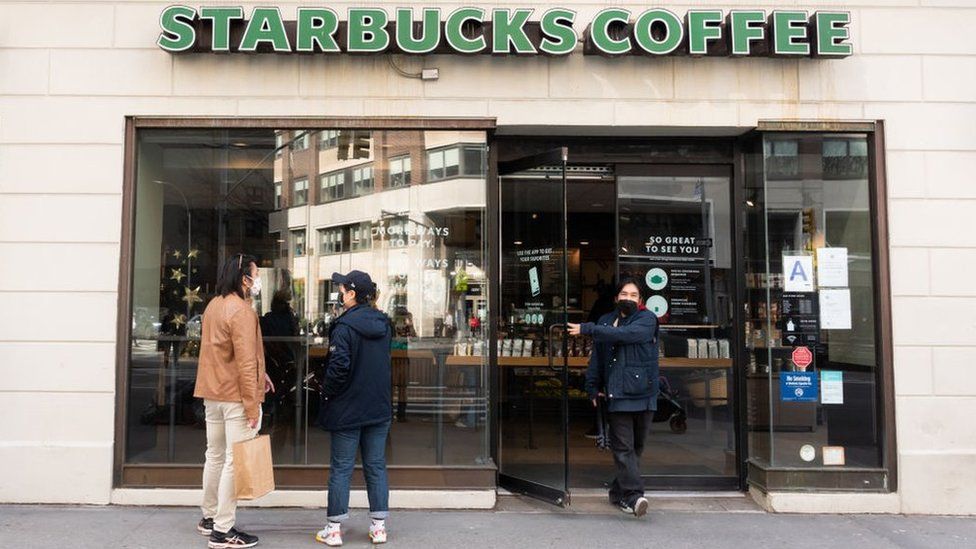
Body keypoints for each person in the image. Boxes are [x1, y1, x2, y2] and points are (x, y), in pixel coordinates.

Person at [193, 253, 275, 549]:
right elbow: (243, 360)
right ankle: (223, 531)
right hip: (235, 397)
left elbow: (222, 353)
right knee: (232, 462)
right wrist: (253, 403)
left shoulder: (214, 305)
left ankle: (209, 518)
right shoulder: (241, 311)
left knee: (214, 455)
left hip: (212, 393)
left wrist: (260, 374)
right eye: (256, 274)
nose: (258, 281)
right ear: (244, 279)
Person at [568, 277, 659, 518]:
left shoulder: (646, 319)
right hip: (616, 393)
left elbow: (628, 335)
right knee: (623, 448)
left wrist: (587, 328)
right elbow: (597, 356)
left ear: (640, 300)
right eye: (624, 294)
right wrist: (591, 385)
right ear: (616, 298)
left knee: (636, 448)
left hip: (644, 393)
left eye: (633, 295)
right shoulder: (606, 320)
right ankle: (634, 496)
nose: (628, 298)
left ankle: (618, 493)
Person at [315, 270, 393, 546]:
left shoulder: (344, 326)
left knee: (341, 468)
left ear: (351, 294)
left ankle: (334, 529)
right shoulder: (384, 323)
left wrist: (326, 392)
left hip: (348, 407)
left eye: (341, 288)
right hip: (378, 406)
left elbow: (338, 368)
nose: (339, 292)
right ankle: (379, 527)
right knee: (375, 466)